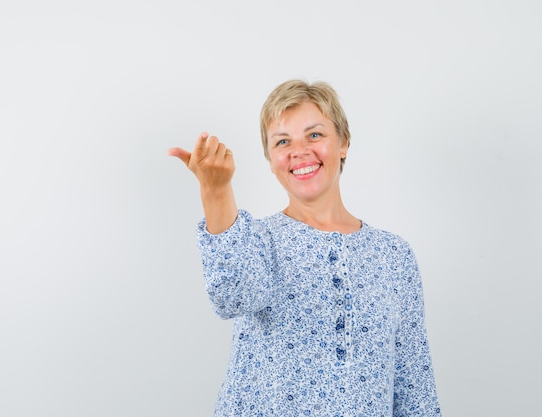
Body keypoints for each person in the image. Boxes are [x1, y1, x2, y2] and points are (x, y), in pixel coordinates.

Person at [168, 80, 441, 416]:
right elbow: (232, 296)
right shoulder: (256, 240)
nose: (299, 151)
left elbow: (414, 384)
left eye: (314, 135)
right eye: (283, 142)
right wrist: (216, 191)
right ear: (271, 160)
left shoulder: (393, 256)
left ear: (343, 143)